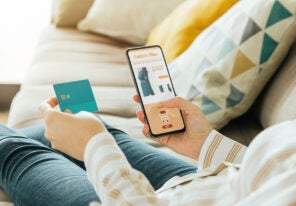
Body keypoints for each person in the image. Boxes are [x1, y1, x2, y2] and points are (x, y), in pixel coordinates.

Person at [0, 95, 295, 206]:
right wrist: (206, 144)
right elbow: (274, 174)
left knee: (9, 147)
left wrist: (94, 146)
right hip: (217, 185)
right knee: (56, 130)